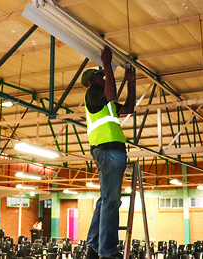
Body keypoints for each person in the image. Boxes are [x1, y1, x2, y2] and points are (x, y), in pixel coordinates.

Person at [81, 46, 136, 259]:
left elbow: (129, 108)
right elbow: (111, 93)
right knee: (112, 201)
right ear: (93, 81)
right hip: (108, 149)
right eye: (101, 76)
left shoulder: (106, 103)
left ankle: (94, 246)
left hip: (110, 149)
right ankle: (108, 251)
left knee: (105, 200)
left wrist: (131, 82)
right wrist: (106, 63)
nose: (105, 78)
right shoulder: (93, 93)